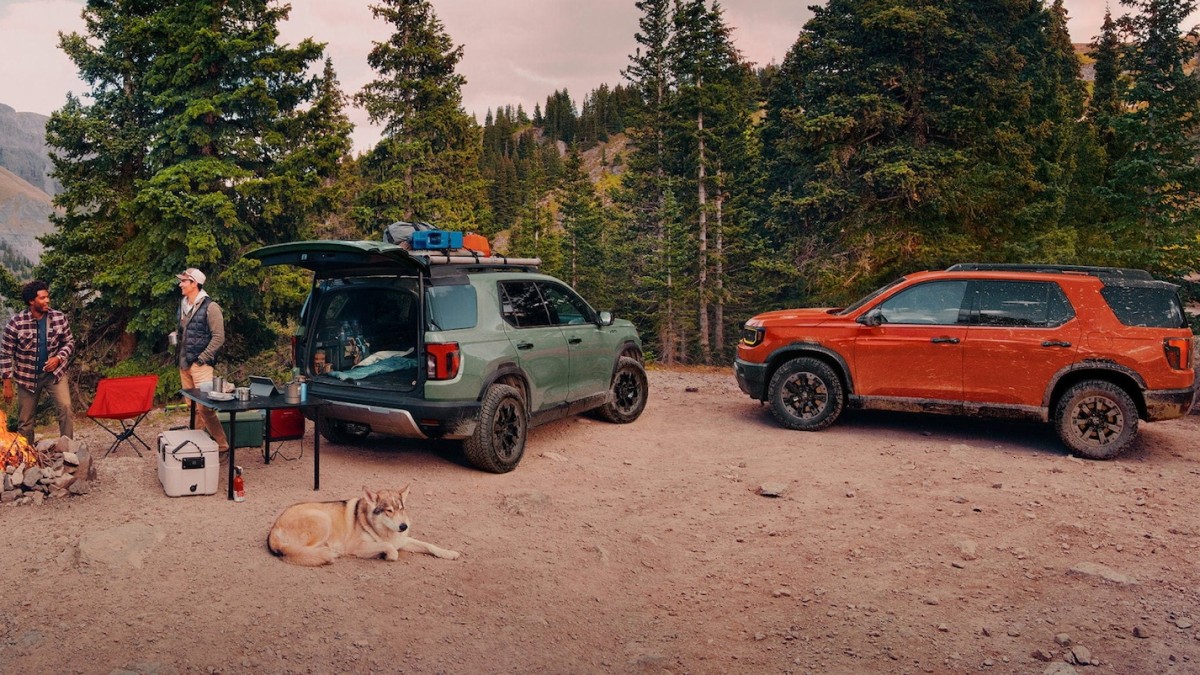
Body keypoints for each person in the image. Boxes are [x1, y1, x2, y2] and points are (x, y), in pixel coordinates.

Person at [1, 280, 75, 445]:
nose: (47, 300)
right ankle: (27, 456)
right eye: (42, 298)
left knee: (66, 408)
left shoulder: (59, 318)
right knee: (25, 420)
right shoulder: (16, 323)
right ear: (31, 301)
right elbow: (5, 353)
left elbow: (69, 343)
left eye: (47, 297)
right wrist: (7, 382)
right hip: (27, 378)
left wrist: (58, 358)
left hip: (54, 374)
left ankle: (69, 449)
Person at [174, 268, 229, 452]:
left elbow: (219, 337)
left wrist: (202, 359)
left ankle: (222, 446)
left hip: (201, 365)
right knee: (193, 407)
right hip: (184, 364)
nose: (180, 284)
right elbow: (187, 332)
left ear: (194, 283)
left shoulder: (211, 307)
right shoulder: (183, 304)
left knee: (205, 408)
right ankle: (199, 445)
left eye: (184, 281)